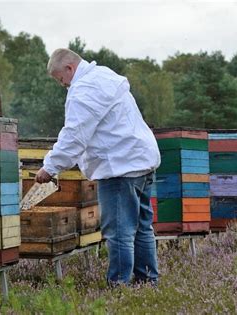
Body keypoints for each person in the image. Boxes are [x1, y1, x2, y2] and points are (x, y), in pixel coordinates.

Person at [35, 48, 161, 286]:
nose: (63, 85)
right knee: (142, 227)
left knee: (119, 232)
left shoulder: (83, 90)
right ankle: (147, 283)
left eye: (61, 79)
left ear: (70, 68)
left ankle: (119, 287)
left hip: (120, 169)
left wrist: (50, 167)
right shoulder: (104, 76)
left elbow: (75, 135)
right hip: (142, 161)